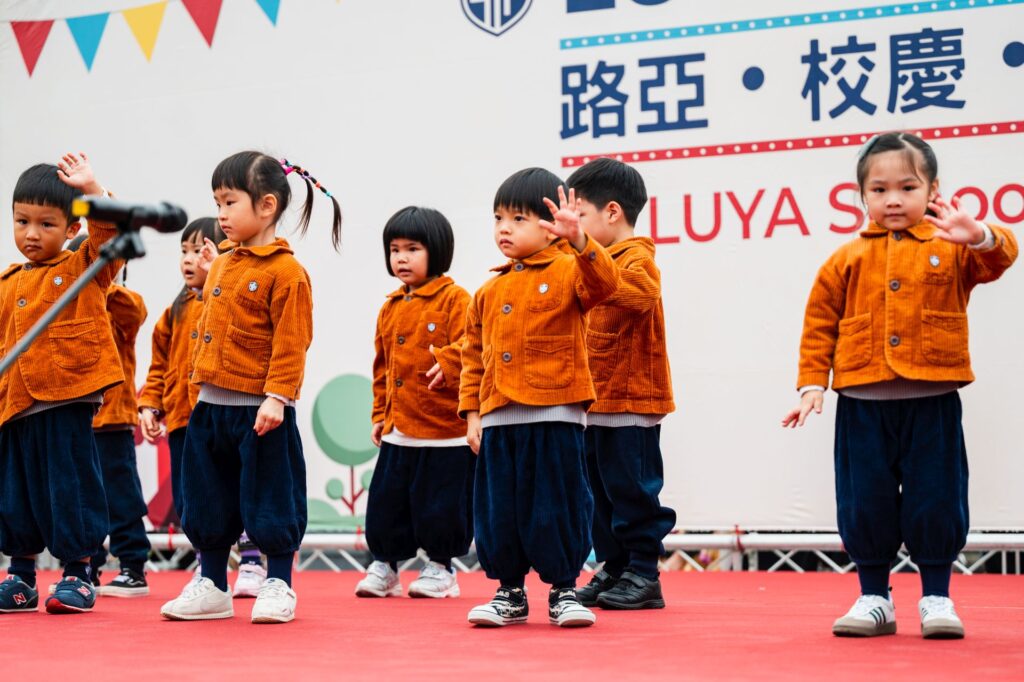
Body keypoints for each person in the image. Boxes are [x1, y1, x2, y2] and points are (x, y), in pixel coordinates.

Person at [782, 132, 1018, 639]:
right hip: (861, 402)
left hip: (932, 400)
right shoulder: (844, 259)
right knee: (864, 499)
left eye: (907, 187)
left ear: (933, 190)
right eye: (879, 189)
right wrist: (811, 385)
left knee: (937, 497)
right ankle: (874, 596)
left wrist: (978, 235)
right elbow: (819, 324)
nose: (893, 199)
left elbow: (998, 258)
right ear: (862, 195)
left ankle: (937, 597)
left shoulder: (953, 248)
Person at [159, 153, 341, 624]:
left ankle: (278, 582)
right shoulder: (221, 265)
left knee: (271, 496)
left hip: (260, 411)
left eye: (229, 202)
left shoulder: (287, 272)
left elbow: (291, 342)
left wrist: (277, 397)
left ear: (266, 205)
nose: (220, 214)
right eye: (216, 202)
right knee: (207, 497)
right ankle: (212, 584)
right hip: (209, 406)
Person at [460, 168, 620, 627]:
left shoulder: (572, 269)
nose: (504, 229)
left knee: (558, 506)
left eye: (519, 219)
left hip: (556, 415)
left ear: (551, 227)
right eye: (498, 218)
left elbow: (607, 285)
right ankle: (509, 593)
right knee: (500, 511)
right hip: (498, 418)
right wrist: (472, 414)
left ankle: (564, 591)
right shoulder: (487, 290)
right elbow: (473, 355)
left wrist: (581, 242)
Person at [0, 153, 121, 614]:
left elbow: (111, 239)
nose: (31, 233)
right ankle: (21, 576)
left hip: (67, 397)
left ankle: (78, 573)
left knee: (71, 487)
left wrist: (91, 190)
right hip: (13, 404)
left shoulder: (84, 266)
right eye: (22, 221)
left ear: (72, 229)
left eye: (46, 224)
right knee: (15, 493)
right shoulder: (6, 282)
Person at [565, 158, 677, 610]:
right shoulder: (585, 262)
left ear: (612, 212)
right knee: (599, 495)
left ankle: (644, 572)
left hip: (631, 403)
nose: (573, 229)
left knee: (633, 491)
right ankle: (614, 566)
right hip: (593, 403)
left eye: (580, 217)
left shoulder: (638, 258)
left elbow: (638, 293)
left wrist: (582, 250)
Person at [356, 206, 474, 600]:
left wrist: (450, 360)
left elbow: (474, 345)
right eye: (395, 250)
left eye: (412, 249)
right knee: (386, 504)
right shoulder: (390, 307)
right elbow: (382, 368)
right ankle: (385, 566)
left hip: (446, 432)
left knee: (442, 507)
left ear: (437, 250)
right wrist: (380, 414)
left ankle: (441, 568)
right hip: (398, 430)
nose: (401, 258)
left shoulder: (456, 299)